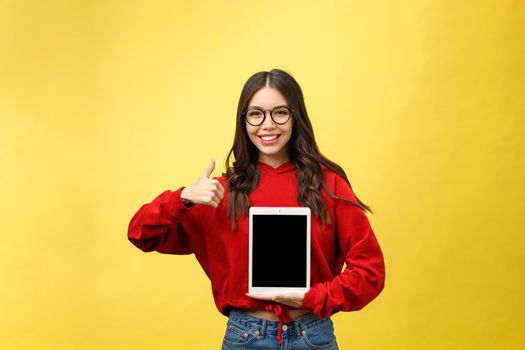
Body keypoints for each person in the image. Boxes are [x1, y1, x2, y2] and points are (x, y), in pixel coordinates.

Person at [127, 69, 385, 349]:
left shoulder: (329, 184)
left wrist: (314, 297)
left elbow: (370, 272)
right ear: (244, 121)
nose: (268, 125)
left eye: (280, 113)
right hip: (246, 337)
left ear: (296, 116)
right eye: (256, 114)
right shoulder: (219, 193)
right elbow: (141, 233)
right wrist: (183, 198)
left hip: (313, 334)